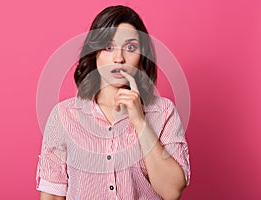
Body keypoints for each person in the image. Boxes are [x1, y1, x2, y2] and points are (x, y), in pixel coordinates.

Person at [36, 5, 190, 200]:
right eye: (108, 47)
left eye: (130, 48)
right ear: (95, 52)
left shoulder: (163, 112)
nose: (119, 58)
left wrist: (140, 121)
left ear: (142, 56)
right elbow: (53, 195)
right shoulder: (64, 115)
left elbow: (172, 191)